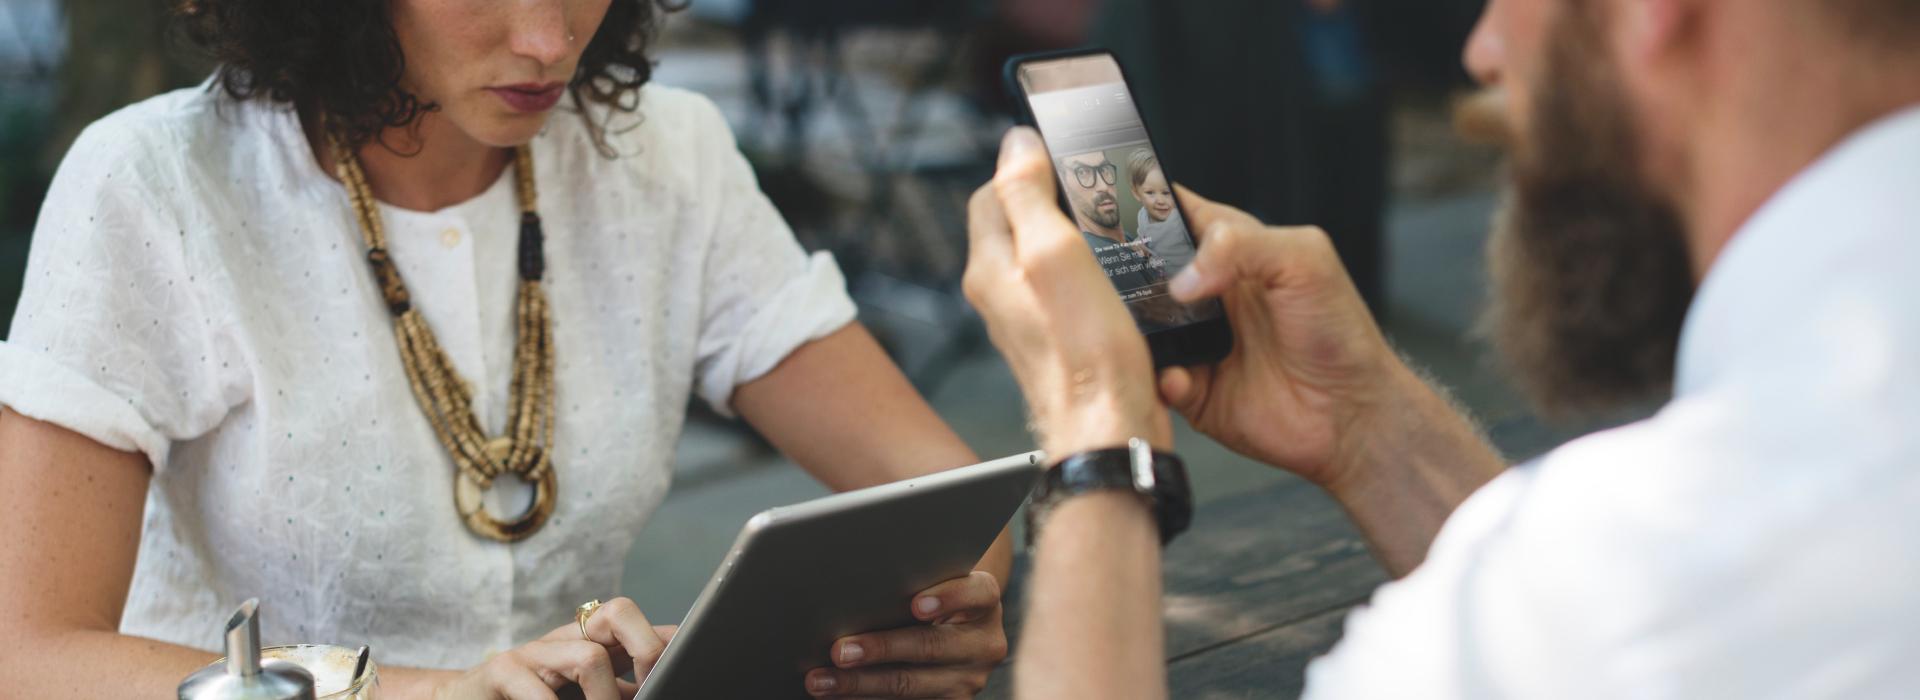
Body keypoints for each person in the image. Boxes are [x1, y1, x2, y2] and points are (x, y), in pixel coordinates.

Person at [0, 2, 1011, 698]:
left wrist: (936, 610)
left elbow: (948, 501)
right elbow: (28, 656)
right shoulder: (157, 186)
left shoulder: (665, 157)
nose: (548, 38)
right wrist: (433, 692)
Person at [965, 0, 1920, 696]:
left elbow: (1591, 613)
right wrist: (1366, 426)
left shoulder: (1660, 561)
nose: (1484, 48)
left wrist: (1096, 434)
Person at [1125, 148, 1195, 274]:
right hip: (1161, 278)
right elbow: (1143, 236)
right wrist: (1138, 243)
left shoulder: (1179, 220)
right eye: (1150, 193)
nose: (1160, 200)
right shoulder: (1142, 215)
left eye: (1166, 192)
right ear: (1136, 193)